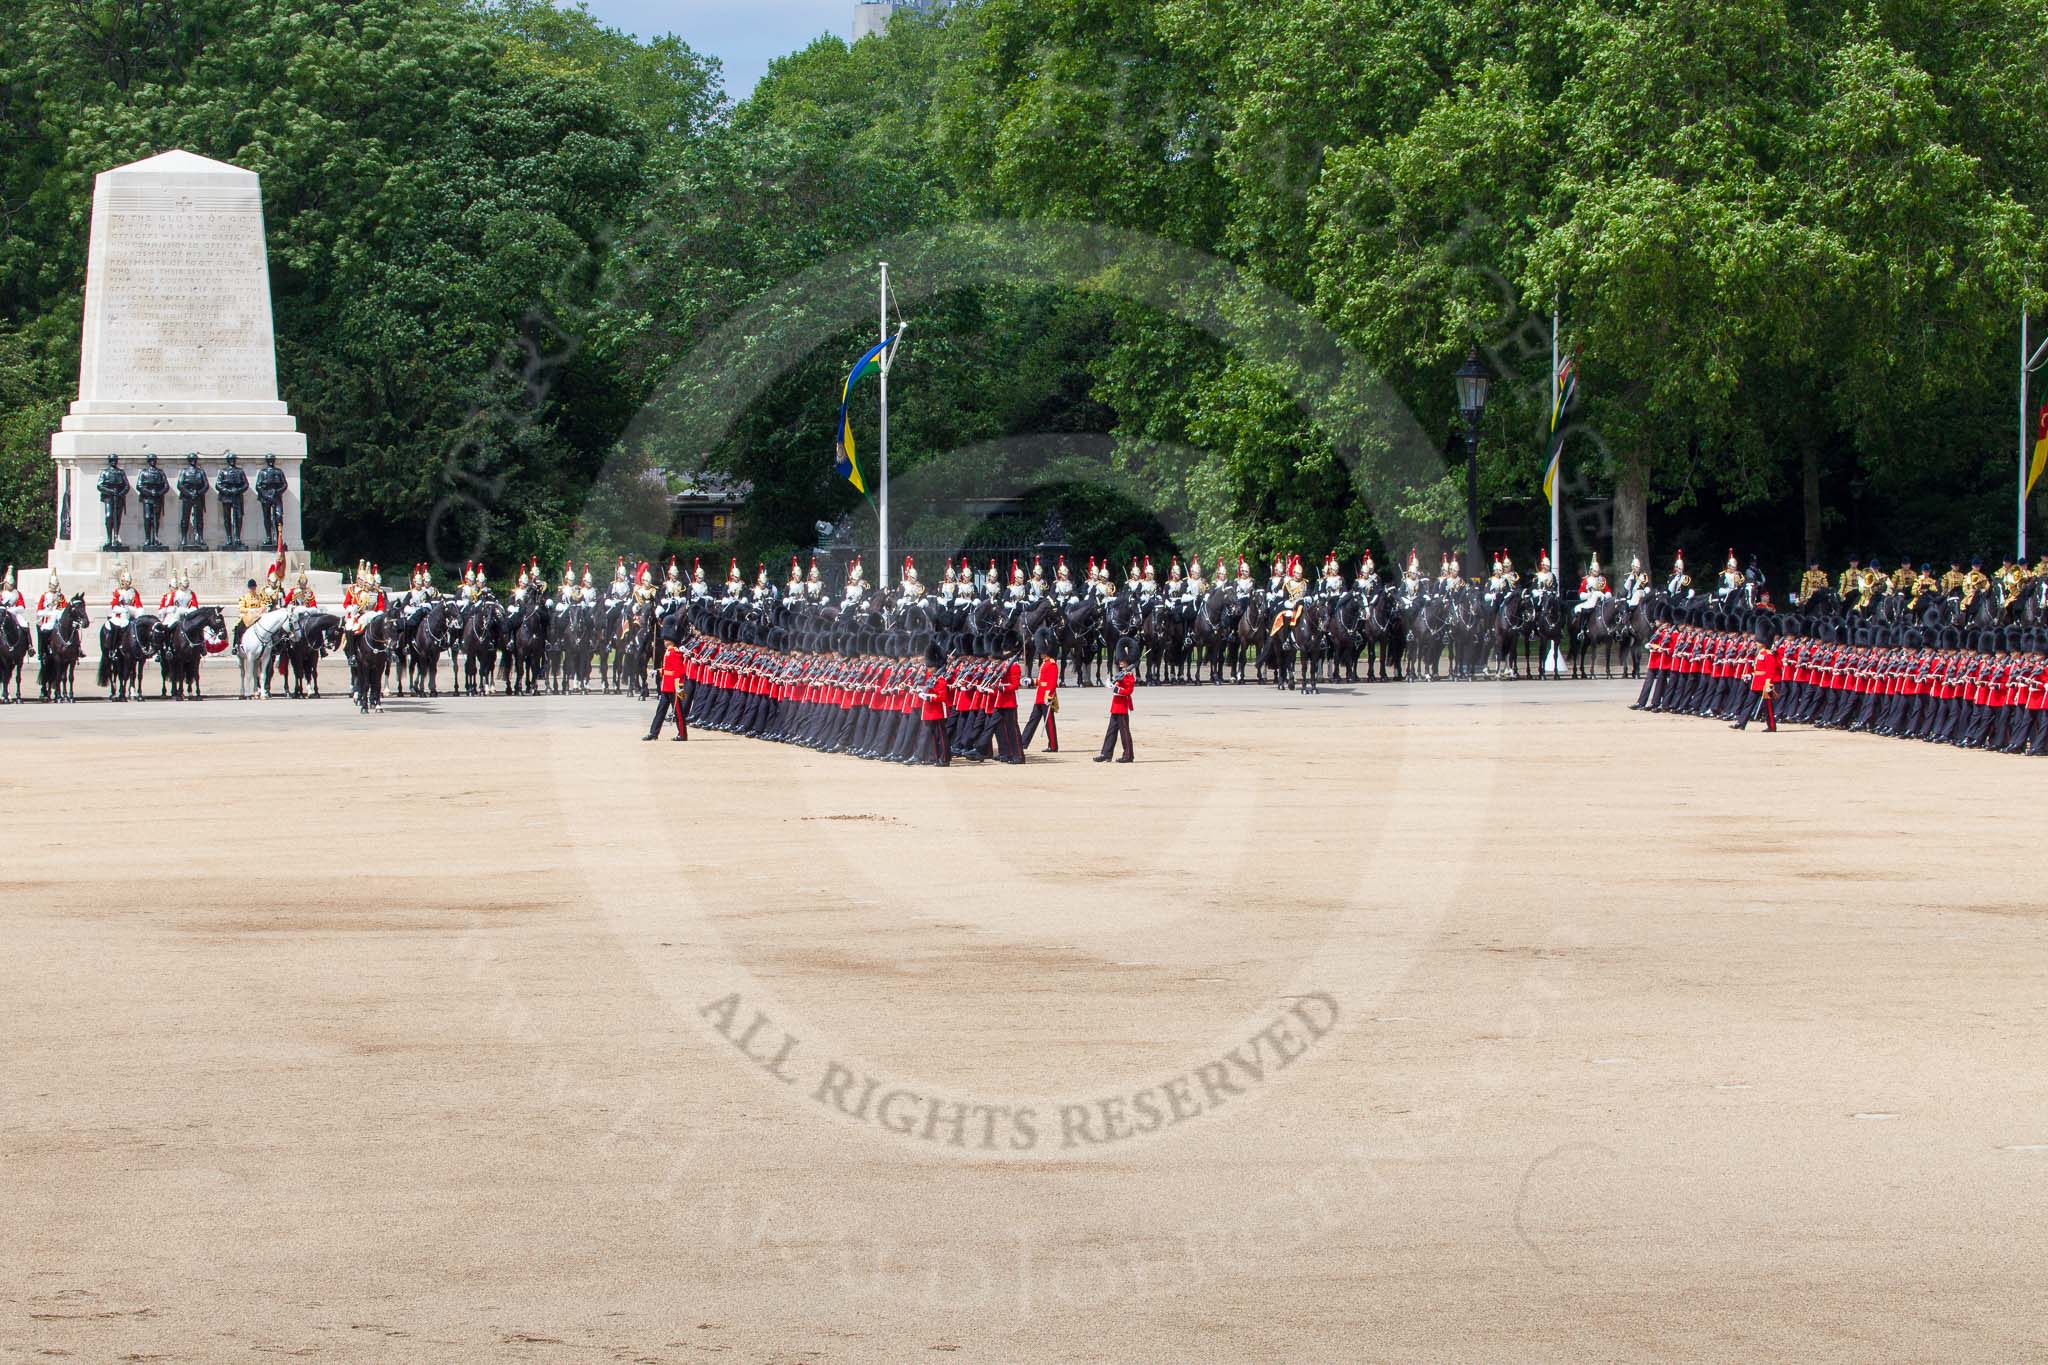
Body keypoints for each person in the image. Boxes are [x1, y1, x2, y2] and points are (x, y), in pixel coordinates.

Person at [1095, 638, 1138, 762]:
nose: (1120, 662)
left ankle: (1128, 755)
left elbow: (1128, 691)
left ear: (1127, 661)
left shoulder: (1129, 675)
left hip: (1123, 707)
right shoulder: (1121, 674)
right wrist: (1111, 683)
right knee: (1111, 732)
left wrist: (1115, 689)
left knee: (1124, 733)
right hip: (1115, 706)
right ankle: (1106, 754)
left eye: (1122, 661)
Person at [1733, 622, 1781, 732]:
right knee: (1748, 703)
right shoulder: (1760, 654)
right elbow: (1758, 670)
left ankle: (1772, 727)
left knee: (1767, 707)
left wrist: (1768, 684)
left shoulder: (1768, 654)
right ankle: (1741, 723)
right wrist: (1750, 675)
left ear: (1764, 642)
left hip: (1766, 684)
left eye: (1759, 642)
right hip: (1756, 683)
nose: (1756, 644)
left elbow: (1770, 671)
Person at [1019, 627, 1060, 752]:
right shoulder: (1044, 663)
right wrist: (1031, 681)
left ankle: (1053, 746)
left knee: (1049, 723)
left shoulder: (1052, 664)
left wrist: (1049, 696)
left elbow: (1052, 683)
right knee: (1033, 720)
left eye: (1042, 651)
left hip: (1046, 697)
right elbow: (1042, 681)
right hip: (1040, 696)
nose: (1040, 653)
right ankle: (1023, 742)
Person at [645, 633, 689, 740]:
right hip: (666, 687)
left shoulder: (675, 652)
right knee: (660, 711)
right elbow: (667, 669)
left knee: (678, 712)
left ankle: (683, 734)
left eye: (666, 640)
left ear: (672, 641)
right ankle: (653, 733)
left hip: (674, 687)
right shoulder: (668, 652)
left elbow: (679, 671)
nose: (664, 642)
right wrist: (657, 671)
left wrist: (679, 686)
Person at [920, 643, 952, 766]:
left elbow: (942, 697)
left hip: (939, 711)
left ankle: (944, 758)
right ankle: (935, 756)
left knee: (941, 737)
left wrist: (928, 697)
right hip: (930, 711)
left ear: (935, 666)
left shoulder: (941, 680)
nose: (928, 669)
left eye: (930, 667)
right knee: (933, 736)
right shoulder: (932, 677)